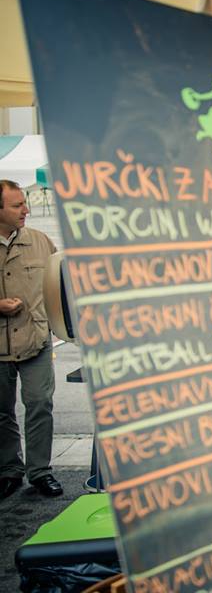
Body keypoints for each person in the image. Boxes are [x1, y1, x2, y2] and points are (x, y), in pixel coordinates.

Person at [0, 180, 61, 499]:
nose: (26, 210)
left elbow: (61, 284)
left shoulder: (40, 241)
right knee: (1, 412)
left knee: (39, 403)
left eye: (24, 202)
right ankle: (9, 470)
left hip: (36, 339)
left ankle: (40, 472)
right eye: (17, 205)